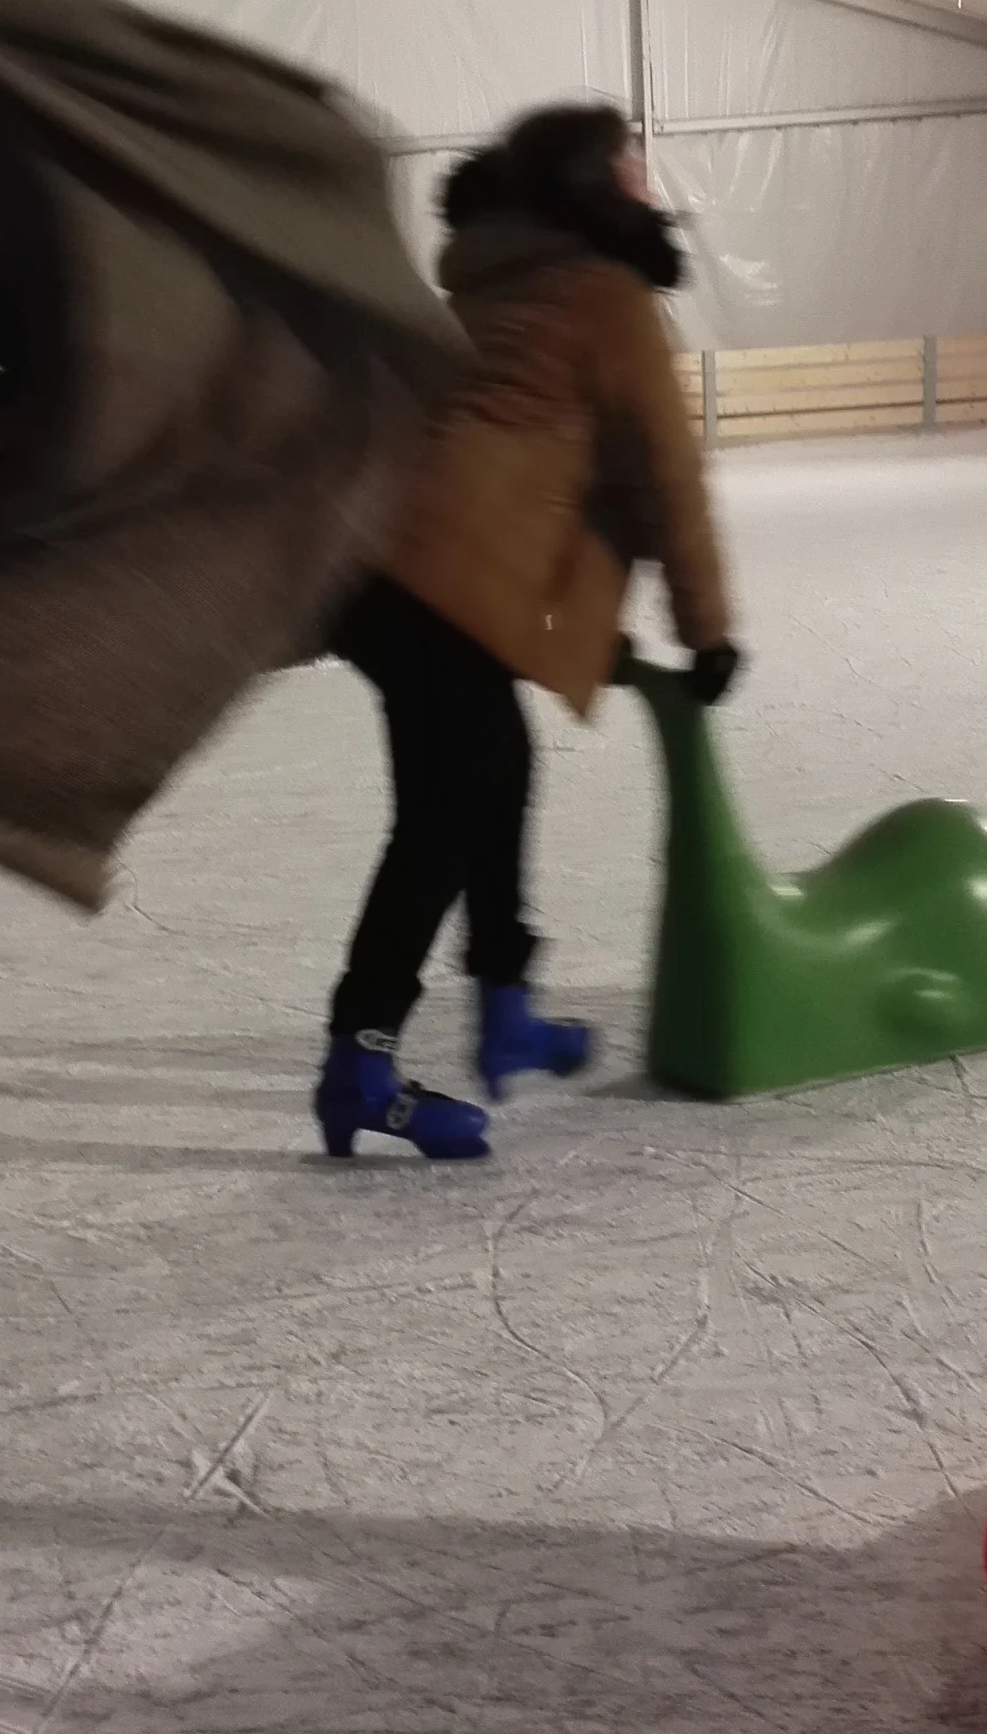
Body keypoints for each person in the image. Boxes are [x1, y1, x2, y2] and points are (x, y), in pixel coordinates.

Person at [315, 104, 740, 1160]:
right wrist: (708, 628)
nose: (646, 180)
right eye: (628, 164)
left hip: (382, 569)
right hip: (443, 580)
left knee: (494, 774)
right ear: (591, 187)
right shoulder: (605, 296)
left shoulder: (490, 283)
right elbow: (665, 473)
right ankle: (360, 1066)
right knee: (444, 818)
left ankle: (505, 1013)